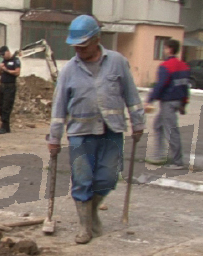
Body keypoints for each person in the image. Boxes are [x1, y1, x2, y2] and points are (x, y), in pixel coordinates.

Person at [48, 15, 146, 244]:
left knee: (108, 178)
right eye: (76, 47)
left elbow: (131, 95)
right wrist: (54, 137)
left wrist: (138, 122)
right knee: (82, 179)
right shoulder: (69, 70)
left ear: (97, 39)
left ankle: (92, 212)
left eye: (83, 45)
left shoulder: (117, 62)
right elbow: (59, 106)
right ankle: (85, 227)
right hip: (80, 133)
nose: (79, 50)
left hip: (112, 130)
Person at [145, 39, 190, 169]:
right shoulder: (184, 66)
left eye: (164, 48)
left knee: (171, 130)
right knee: (158, 125)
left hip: (168, 102)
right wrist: (184, 104)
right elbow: (185, 86)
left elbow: (160, 85)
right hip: (178, 101)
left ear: (169, 49)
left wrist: (150, 100)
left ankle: (177, 161)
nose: (164, 51)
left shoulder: (166, 66)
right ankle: (159, 155)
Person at [0, 46, 21, 134]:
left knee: (6, 106)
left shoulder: (15, 60)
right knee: (1, 106)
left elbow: (17, 72)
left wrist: (6, 70)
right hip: (2, 85)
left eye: (4, 54)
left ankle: (4, 126)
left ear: (8, 52)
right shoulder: (4, 61)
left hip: (10, 86)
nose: (3, 56)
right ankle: (6, 127)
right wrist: (0, 68)